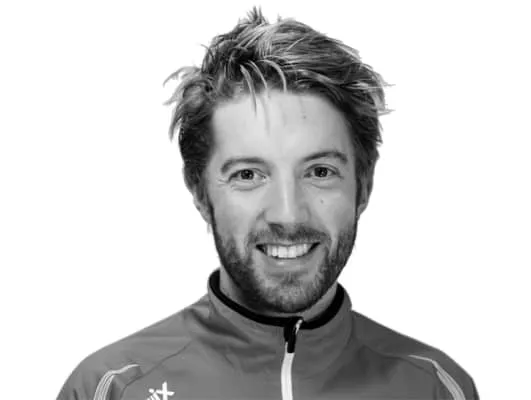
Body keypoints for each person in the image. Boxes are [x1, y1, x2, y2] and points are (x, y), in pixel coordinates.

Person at [57, 7, 479, 400]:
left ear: (363, 187)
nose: (288, 215)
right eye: (248, 175)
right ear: (200, 193)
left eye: (320, 172)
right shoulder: (112, 387)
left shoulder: (435, 387)